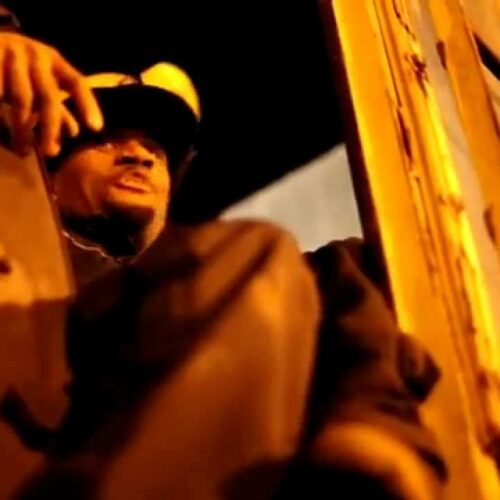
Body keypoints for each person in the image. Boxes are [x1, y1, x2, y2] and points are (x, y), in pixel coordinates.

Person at [0, 7, 446, 500]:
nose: (140, 154)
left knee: (336, 271)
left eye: (156, 150)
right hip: (56, 439)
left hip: (193, 440)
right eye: (107, 140)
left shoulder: (236, 287)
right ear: (46, 167)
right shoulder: (26, 265)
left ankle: (366, 434)